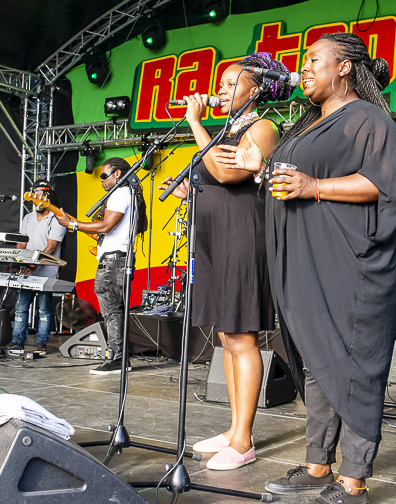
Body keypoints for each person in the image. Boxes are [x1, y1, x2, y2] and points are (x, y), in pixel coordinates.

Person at [217, 33, 396, 504]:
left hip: (354, 267)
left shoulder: (368, 118)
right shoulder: (307, 124)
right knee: (318, 361)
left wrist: (314, 186)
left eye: (313, 60)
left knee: (355, 367)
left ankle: (354, 482)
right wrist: (261, 168)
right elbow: (292, 182)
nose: (303, 69)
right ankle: (319, 464)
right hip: (309, 264)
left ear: (344, 67)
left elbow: (381, 185)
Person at [159, 52, 294, 471]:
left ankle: (243, 440)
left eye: (232, 83)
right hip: (214, 239)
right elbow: (213, 180)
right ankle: (235, 428)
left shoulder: (263, 127)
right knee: (226, 335)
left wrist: (194, 122)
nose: (220, 89)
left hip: (242, 237)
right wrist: (187, 190)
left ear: (256, 91)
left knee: (241, 336)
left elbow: (228, 174)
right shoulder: (225, 130)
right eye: (221, 83)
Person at [55, 157, 146, 375]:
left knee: (112, 312)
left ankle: (116, 358)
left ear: (117, 174)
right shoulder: (130, 194)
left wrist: (73, 224)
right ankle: (121, 358)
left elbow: (106, 226)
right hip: (120, 258)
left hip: (113, 261)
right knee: (116, 311)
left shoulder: (120, 194)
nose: (101, 179)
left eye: (104, 175)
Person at [7, 179, 67, 355]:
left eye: (42, 196)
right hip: (27, 270)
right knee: (20, 308)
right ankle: (17, 341)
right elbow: (21, 243)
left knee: (44, 310)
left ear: (49, 198)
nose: (38, 201)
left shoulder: (57, 219)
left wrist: (33, 263)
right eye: (35, 197)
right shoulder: (28, 218)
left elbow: (51, 248)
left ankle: (41, 342)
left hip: (46, 271)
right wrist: (18, 262)